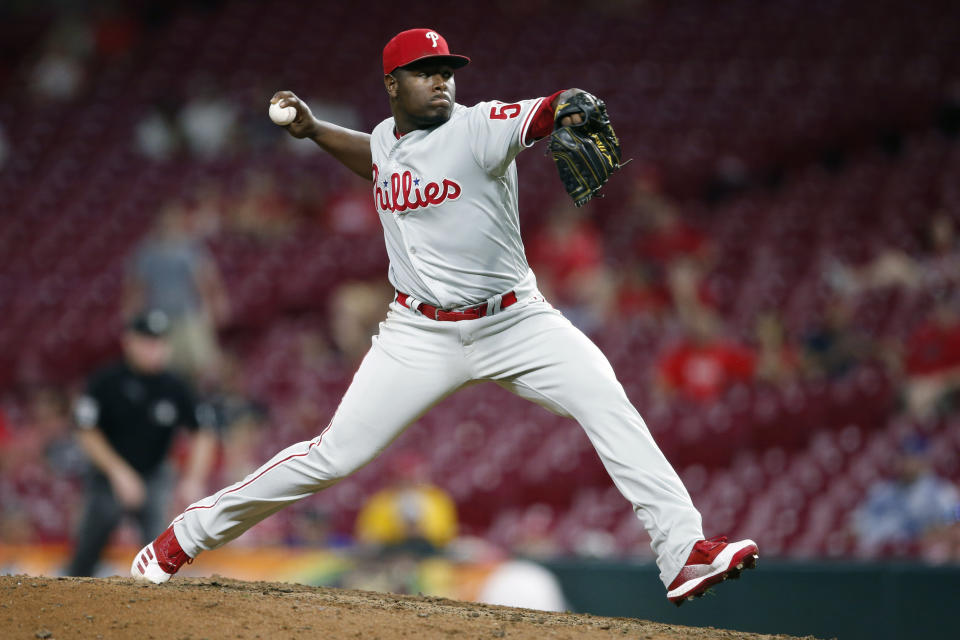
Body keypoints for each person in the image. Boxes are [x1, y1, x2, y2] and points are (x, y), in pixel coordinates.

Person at [131, 28, 757, 604]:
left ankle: (682, 553)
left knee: (608, 403)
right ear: (391, 85)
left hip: (517, 323)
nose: (440, 80)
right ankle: (183, 537)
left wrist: (569, 104)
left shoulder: (479, 126)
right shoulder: (383, 137)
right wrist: (315, 130)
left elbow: (545, 110)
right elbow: (379, 158)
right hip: (419, 333)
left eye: (445, 70)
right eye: (424, 71)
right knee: (333, 456)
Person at [66, 310, 217, 576]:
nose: (154, 349)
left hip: (154, 474)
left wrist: (193, 478)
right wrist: (118, 473)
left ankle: (159, 611)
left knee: (161, 553)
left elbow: (203, 432)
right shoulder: (105, 381)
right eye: (147, 342)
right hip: (108, 476)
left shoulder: (177, 386)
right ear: (129, 342)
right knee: (87, 550)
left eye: (159, 342)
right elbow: (85, 430)